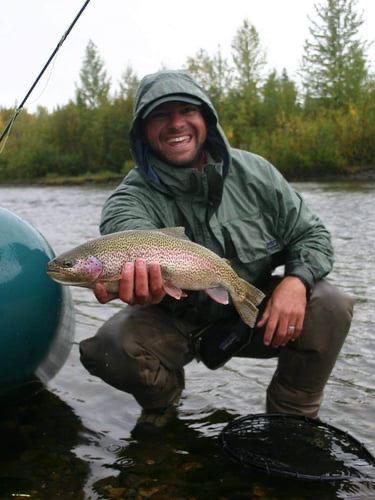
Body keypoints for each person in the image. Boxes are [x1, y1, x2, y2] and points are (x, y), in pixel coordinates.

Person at [79, 70, 354, 428]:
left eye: (187, 111)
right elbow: (125, 238)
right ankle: (162, 405)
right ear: (143, 131)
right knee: (111, 348)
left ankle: (293, 422)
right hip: (171, 320)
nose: (176, 124)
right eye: (161, 115)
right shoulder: (129, 199)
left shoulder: (256, 174)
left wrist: (296, 281)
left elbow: (313, 236)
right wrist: (133, 279)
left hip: (251, 314)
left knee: (330, 304)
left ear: (205, 118)